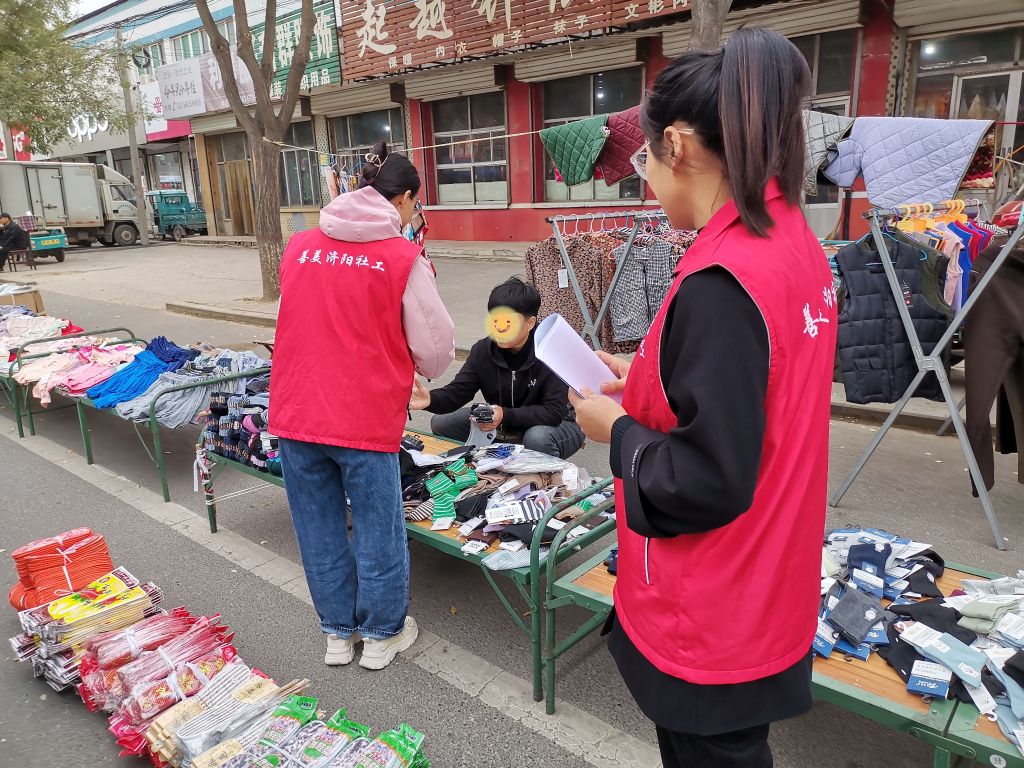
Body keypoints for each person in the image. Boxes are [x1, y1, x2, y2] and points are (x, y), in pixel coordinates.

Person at [570, 28, 837, 768]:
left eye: (645, 162)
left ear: (678, 145)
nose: (647, 183)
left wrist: (616, 429)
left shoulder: (722, 279)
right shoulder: (792, 241)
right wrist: (645, 374)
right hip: (770, 578)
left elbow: (705, 477)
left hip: (714, 607)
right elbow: (755, 391)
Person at [269, 142, 455, 671]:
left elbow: (289, 321)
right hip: (364, 417)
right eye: (416, 204)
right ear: (406, 200)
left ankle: (337, 634)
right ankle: (380, 636)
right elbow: (436, 350)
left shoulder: (300, 246)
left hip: (297, 411)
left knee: (318, 528)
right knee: (378, 529)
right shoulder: (402, 257)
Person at [409, 277, 585, 459]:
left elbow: (553, 412)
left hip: (558, 424)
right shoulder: (483, 350)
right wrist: (429, 399)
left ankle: (544, 468)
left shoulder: (551, 352)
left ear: (530, 323)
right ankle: (500, 458)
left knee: (537, 438)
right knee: (442, 423)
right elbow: (458, 392)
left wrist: (505, 415)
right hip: (504, 423)